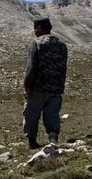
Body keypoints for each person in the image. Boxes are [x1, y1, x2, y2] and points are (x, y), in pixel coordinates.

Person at [23, 17, 68, 149]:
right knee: (52, 114)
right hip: (56, 88)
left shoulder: (36, 43)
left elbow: (31, 68)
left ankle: (32, 141)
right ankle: (53, 139)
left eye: (35, 29)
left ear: (39, 28)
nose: (34, 32)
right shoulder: (62, 45)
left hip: (38, 87)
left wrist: (27, 86)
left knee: (31, 113)